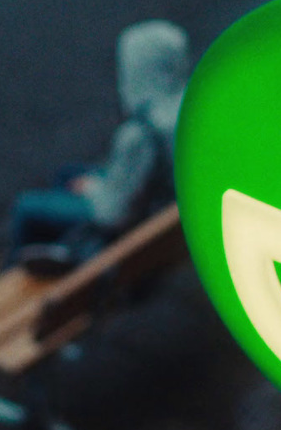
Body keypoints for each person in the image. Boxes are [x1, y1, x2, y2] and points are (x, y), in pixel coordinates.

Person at [10, 19, 190, 276]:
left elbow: (112, 214)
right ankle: (62, 245)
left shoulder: (141, 132)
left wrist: (91, 188)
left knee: (26, 207)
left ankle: (25, 275)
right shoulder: (191, 107)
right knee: (67, 174)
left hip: (138, 223)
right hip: (165, 207)